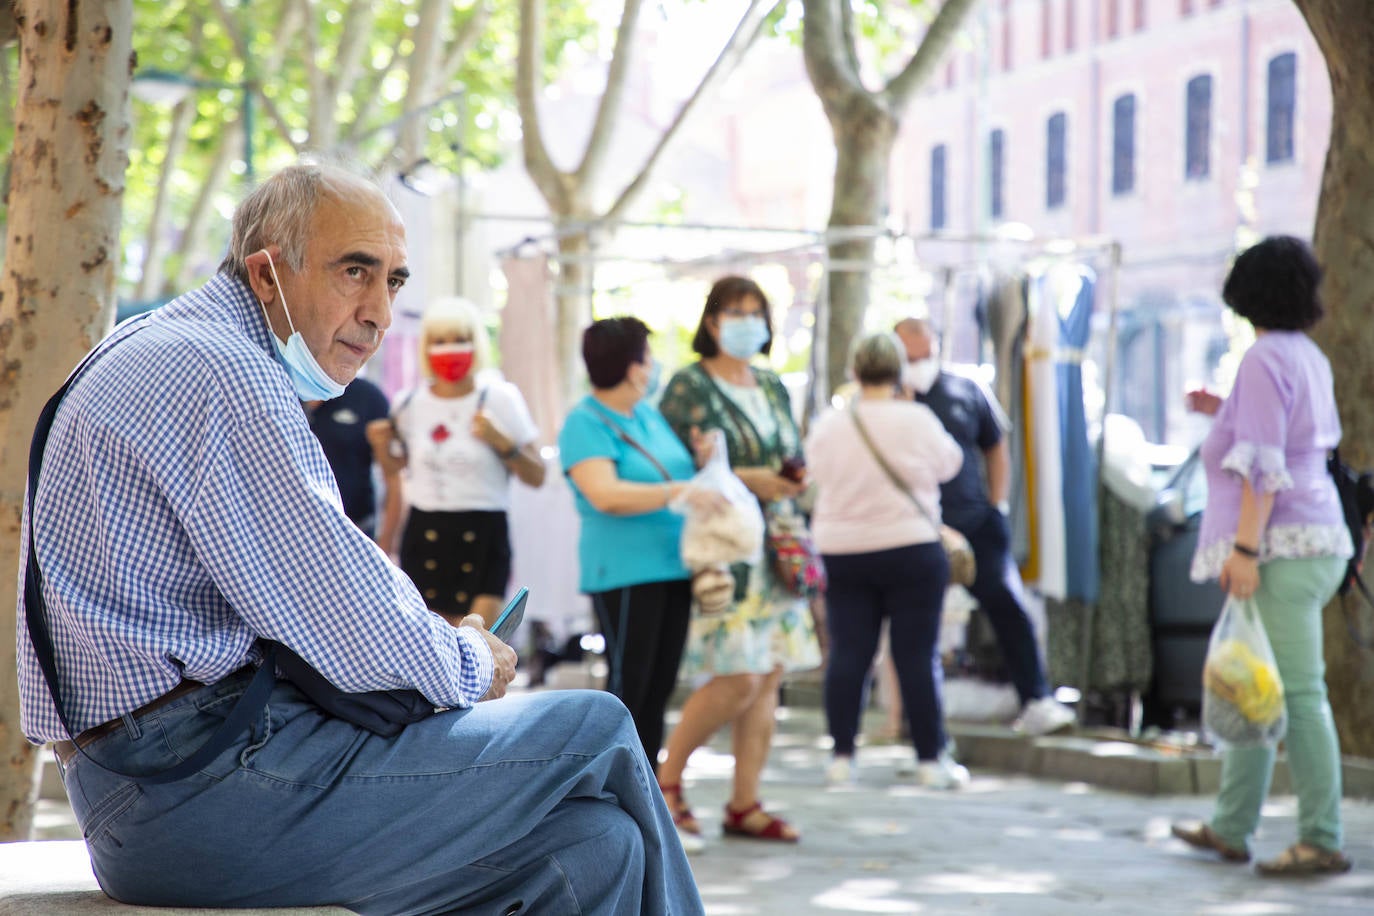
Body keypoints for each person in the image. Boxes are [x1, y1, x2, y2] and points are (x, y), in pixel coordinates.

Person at [17, 160, 703, 914]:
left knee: (597, 846)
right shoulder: (224, 373)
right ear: (267, 274)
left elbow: (332, 596)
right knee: (595, 723)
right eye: (355, 271)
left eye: (395, 281)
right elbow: (346, 615)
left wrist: (432, 644)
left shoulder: (163, 343)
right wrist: (473, 657)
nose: (379, 310)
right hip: (196, 785)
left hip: (156, 785)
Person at [1169, 235, 1353, 876]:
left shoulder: (1262, 358)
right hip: (1311, 539)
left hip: (1280, 546)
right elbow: (1292, 436)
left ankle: (1322, 836)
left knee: (1298, 694)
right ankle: (1230, 824)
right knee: (1254, 682)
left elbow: (1265, 469)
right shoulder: (1305, 356)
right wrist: (1222, 412)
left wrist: (1245, 549)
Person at [656, 275, 822, 844]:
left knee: (769, 672)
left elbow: (791, 451)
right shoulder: (688, 387)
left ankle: (745, 802)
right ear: (711, 321)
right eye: (735, 311)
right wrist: (754, 480)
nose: (747, 321)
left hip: (777, 545)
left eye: (757, 311)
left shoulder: (774, 385)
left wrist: (791, 479)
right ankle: (666, 781)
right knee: (737, 676)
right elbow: (675, 470)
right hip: (724, 549)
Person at [894, 317, 1078, 737]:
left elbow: (995, 445)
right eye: (911, 357)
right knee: (916, 622)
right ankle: (913, 718)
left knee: (1008, 606)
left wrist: (997, 503)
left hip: (975, 523)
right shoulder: (885, 400)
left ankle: (1036, 697)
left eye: (926, 355)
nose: (920, 364)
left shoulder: (965, 388)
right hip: (914, 528)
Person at [805, 332, 968, 787]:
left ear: (855, 372)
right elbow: (950, 465)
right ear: (899, 373)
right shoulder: (918, 418)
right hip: (911, 547)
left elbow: (811, 474)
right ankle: (930, 761)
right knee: (916, 655)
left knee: (849, 652)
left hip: (842, 551)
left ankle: (841, 757)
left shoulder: (830, 425)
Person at [557, 317, 714, 783]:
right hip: (624, 572)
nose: (653, 366)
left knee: (659, 687)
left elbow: (672, 471)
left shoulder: (647, 414)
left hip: (672, 567)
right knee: (629, 689)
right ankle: (611, 792)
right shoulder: (585, 422)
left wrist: (701, 463)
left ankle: (646, 791)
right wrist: (679, 493)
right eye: (647, 356)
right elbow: (605, 493)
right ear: (632, 366)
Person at [367, 296, 545, 628]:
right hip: (424, 535)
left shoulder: (498, 398)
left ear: (476, 343)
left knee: (482, 646)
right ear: (426, 347)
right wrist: (382, 451)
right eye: (440, 342)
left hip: (483, 532)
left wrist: (503, 442)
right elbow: (396, 477)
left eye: (460, 340)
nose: (450, 350)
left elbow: (538, 475)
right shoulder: (408, 404)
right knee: (433, 658)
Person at [306, 376, 392, 539]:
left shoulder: (368, 397)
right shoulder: (278, 388)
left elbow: (393, 476)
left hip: (356, 528)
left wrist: (386, 545)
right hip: (292, 525)